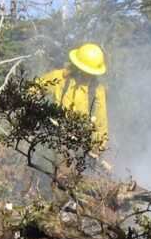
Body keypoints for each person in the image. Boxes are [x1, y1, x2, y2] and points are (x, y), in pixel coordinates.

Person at [39, 42, 109, 182]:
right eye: (85, 71)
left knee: (82, 182)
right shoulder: (59, 78)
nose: (88, 76)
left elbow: (101, 124)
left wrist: (98, 149)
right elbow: (34, 88)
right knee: (63, 179)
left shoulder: (97, 90)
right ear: (77, 66)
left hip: (81, 145)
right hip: (56, 140)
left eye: (91, 73)